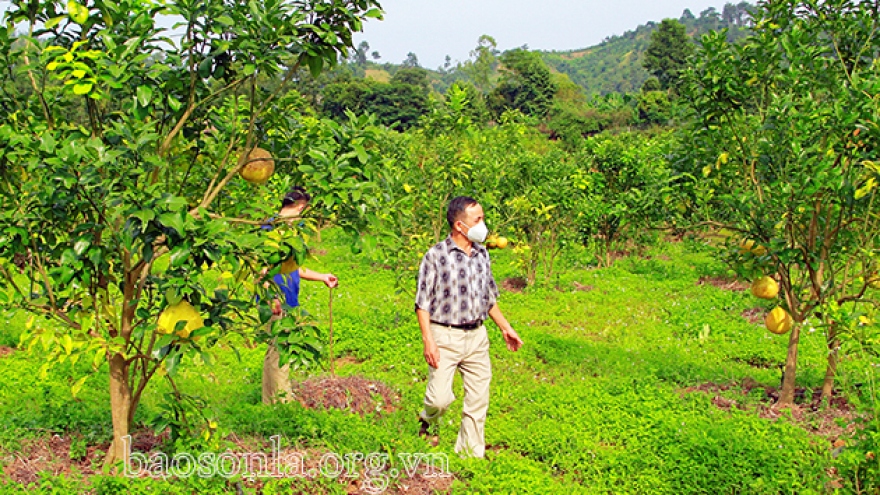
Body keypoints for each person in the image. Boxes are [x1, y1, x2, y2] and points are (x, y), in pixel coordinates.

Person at [414, 196, 523, 458]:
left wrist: (506, 328)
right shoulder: (436, 256)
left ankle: (470, 454)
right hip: (445, 335)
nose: (483, 225)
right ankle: (428, 419)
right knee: (439, 399)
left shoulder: (482, 254)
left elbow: (489, 299)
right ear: (460, 226)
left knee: (478, 399)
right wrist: (429, 340)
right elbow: (422, 303)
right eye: (478, 219)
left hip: (477, 337)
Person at [261, 187, 338, 405]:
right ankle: (284, 403)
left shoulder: (293, 230)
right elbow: (261, 267)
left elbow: (297, 268)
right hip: (276, 300)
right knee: (281, 350)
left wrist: (322, 276)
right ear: (302, 206)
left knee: (274, 351)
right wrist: (270, 295)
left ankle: (270, 402)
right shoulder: (271, 228)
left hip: (287, 299)